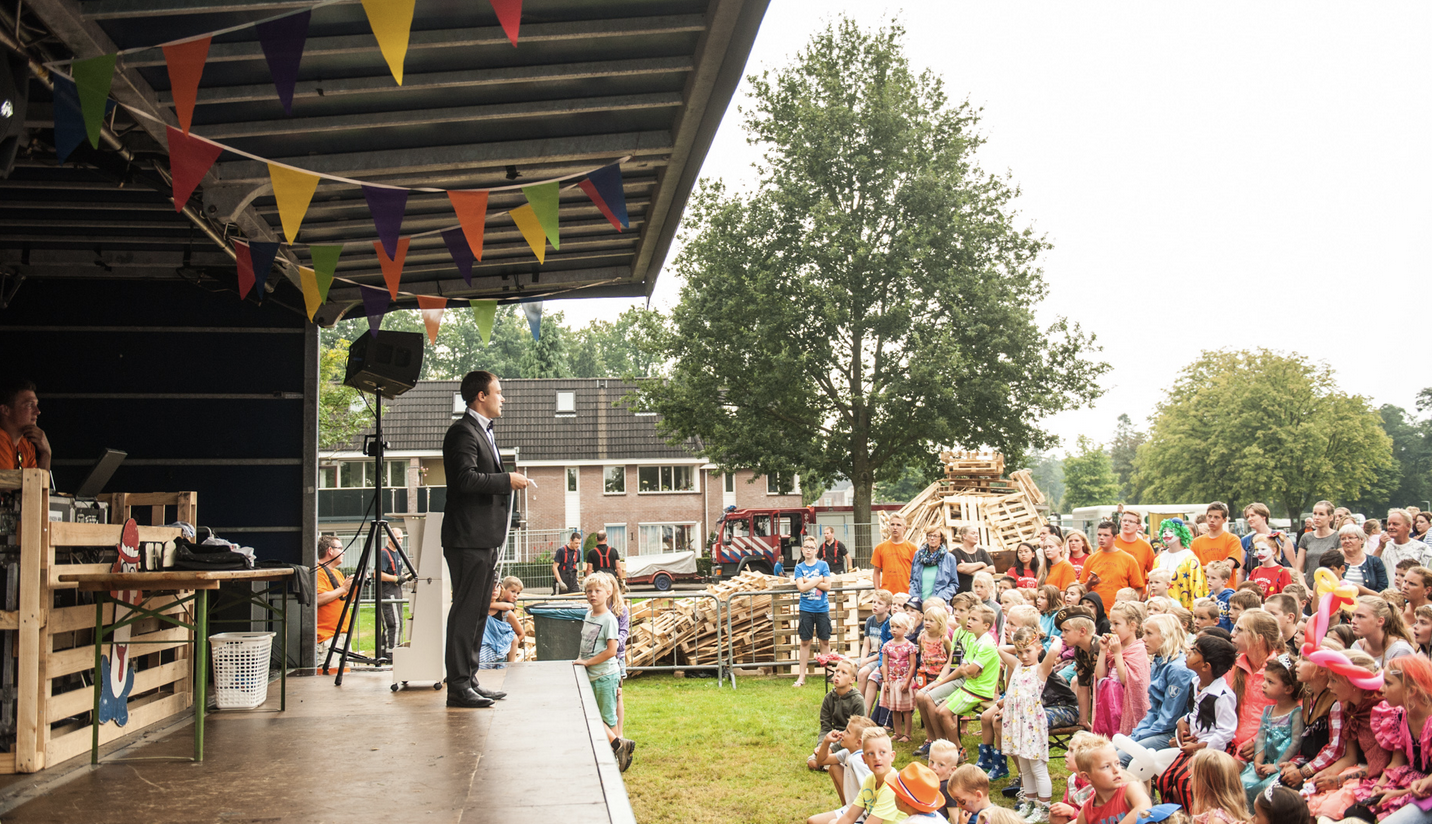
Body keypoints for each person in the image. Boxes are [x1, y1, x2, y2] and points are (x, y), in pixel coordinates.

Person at [441, 370, 529, 708]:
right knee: (466, 612)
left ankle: (470, 679)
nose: (502, 397)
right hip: (468, 539)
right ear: (481, 396)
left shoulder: (482, 431)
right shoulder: (462, 432)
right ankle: (458, 686)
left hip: (484, 539)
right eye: (498, 391)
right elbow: (464, 479)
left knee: (479, 611)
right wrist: (507, 479)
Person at [1155, 634, 1239, 807]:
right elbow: (1196, 713)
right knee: (1164, 780)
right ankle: (1175, 818)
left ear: (1206, 666)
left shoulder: (1222, 696)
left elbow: (1226, 732)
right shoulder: (1196, 683)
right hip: (1195, 746)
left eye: (1194, 651)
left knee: (1186, 784)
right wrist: (1183, 721)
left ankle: (1198, 817)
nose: (1188, 652)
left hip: (1212, 752)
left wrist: (1200, 747)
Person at [1346, 655, 1432, 822]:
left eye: (1389, 683)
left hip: (1424, 791)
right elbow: (1397, 761)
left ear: (1411, 690)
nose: (1382, 689)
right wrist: (1380, 786)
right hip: (1409, 783)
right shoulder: (1400, 716)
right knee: (1354, 812)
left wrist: (1397, 794)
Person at [994, 626, 1063, 822]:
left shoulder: (1041, 670)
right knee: (1024, 768)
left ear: (1038, 648)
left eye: (1028, 651)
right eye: (1020, 652)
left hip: (1032, 724)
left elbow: (1054, 650)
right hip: (1018, 724)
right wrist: (1018, 643)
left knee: (1038, 768)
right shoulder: (1017, 666)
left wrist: (1048, 637)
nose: (1024, 656)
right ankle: (1030, 802)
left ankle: (1044, 807)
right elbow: (1000, 649)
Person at [575, 575, 635, 770]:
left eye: (597, 591)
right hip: (590, 673)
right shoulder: (589, 615)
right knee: (590, 714)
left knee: (606, 718)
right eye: (589, 591)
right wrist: (581, 661)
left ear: (608, 593)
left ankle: (616, 751)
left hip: (604, 676)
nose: (593, 595)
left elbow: (611, 651)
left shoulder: (609, 619)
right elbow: (586, 644)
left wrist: (587, 662)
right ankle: (617, 747)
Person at [1125, 612, 1197, 762]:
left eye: (1149, 634)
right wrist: (1137, 733)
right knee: (1113, 750)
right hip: (1157, 728)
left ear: (1166, 636)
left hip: (1173, 734)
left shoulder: (1178, 669)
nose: (1143, 639)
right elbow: (1154, 710)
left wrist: (1139, 736)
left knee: (1120, 759)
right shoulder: (1160, 661)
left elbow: (1169, 719)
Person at [1239, 653, 1303, 804]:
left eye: (1270, 682)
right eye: (1264, 680)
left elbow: (1295, 743)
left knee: (1266, 791)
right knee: (1241, 784)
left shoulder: (1296, 713)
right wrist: (1257, 761)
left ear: (1288, 689)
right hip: (1265, 763)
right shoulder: (1268, 710)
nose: (1263, 684)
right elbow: (1261, 738)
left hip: (1281, 765)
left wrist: (1275, 766)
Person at [1092, 601, 1151, 738]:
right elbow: (1100, 676)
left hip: (1124, 705)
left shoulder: (1138, 649)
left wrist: (1118, 654)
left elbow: (1128, 681)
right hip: (1108, 704)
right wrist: (1103, 650)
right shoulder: (1114, 647)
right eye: (1111, 623)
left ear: (1132, 626)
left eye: (1116, 624)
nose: (1111, 628)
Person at [1228, 608, 1281, 758]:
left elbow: (1289, 718)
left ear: (1258, 638)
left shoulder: (1281, 671)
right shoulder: (1233, 667)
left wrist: (1259, 741)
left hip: (1266, 750)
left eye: (1239, 630)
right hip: (1230, 744)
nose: (1232, 634)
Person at [1065, 736, 1152, 824]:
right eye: (1106, 766)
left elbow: (1144, 807)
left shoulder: (1130, 789)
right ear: (1087, 777)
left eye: (1117, 763)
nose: (1116, 770)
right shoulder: (1087, 812)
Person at [807, 715, 875, 822]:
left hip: (862, 814)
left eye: (847, 732)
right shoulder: (849, 753)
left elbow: (870, 792)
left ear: (859, 742)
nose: (842, 733)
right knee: (834, 767)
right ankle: (845, 807)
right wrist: (826, 741)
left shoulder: (858, 760)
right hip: (853, 807)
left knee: (813, 821)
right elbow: (822, 761)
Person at [832, 727, 899, 824]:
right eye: (870, 753)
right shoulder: (869, 779)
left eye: (882, 752)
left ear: (892, 756)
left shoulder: (892, 786)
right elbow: (849, 817)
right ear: (864, 759)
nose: (877, 758)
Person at [793, 536, 833, 688]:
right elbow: (801, 588)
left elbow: (828, 586)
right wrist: (818, 580)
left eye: (811, 547)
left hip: (822, 608)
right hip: (806, 609)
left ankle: (828, 673)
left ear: (816, 550)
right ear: (802, 550)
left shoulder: (823, 565)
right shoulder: (799, 567)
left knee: (825, 640)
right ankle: (801, 676)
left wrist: (809, 581)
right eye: (806, 547)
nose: (808, 550)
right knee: (805, 641)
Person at [1079, 521, 1146, 607]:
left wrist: (1131, 607)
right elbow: (1081, 589)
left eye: (1106, 535)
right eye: (1099, 535)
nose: (1101, 538)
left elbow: (1138, 588)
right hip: (1095, 612)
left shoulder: (1128, 559)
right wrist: (1089, 584)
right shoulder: (1090, 559)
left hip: (1119, 611)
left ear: (1115, 537)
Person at [1152, 518, 1208, 611]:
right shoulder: (1158, 559)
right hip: (1159, 612)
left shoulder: (1191, 559)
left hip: (1182, 612)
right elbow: (1152, 586)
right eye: (1164, 531)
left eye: (1170, 531)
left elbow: (1197, 588)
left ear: (1181, 533)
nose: (1166, 533)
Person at [813, 660, 866, 756]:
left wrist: (832, 749)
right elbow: (825, 727)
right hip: (832, 739)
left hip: (851, 742)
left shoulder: (858, 701)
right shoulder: (828, 698)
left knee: (828, 762)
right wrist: (821, 745)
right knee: (812, 763)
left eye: (844, 672)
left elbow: (857, 733)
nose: (838, 675)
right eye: (836, 671)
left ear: (852, 680)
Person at [879, 612, 918, 743]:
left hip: (903, 680)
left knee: (906, 710)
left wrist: (907, 683)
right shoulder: (887, 646)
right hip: (892, 681)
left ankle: (907, 734)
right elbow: (884, 664)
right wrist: (886, 681)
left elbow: (913, 665)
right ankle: (897, 732)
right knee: (894, 709)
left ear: (905, 629)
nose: (894, 630)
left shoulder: (909, 646)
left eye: (897, 627)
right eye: (892, 626)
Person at [1350, 594, 1417, 666]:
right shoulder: (1357, 646)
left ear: (1380, 621)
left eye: (1360, 616)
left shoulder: (1400, 650)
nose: (1353, 621)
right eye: (1353, 615)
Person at [0, 377, 51, 471]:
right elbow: (7, 485)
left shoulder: (25, 444)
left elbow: (37, 484)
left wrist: (46, 453)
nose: (37, 411)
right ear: (5, 410)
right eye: (29, 405)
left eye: (36, 405)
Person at [1188, 750, 1252, 824]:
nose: (1191, 779)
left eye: (1194, 776)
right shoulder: (1217, 812)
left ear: (1204, 783)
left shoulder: (1217, 820)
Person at [314, 535, 353, 648]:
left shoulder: (337, 573)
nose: (343, 552)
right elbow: (318, 598)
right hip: (328, 637)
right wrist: (343, 589)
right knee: (331, 666)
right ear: (330, 550)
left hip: (342, 635)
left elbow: (345, 600)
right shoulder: (318, 572)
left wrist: (355, 586)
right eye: (340, 548)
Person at [1192, 502, 1243, 585]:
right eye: (1210, 516)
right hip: (1203, 592)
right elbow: (1192, 568)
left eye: (1217, 517)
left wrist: (1203, 568)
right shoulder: (1196, 542)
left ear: (1224, 520)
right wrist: (1220, 565)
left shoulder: (1233, 540)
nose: (1212, 520)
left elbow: (1226, 568)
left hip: (1225, 592)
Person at [479, 576, 525, 668]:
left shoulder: (506, 611)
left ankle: (510, 665)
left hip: (500, 654)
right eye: (513, 591)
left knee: (514, 638)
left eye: (518, 593)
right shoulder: (478, 611)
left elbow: (508, 607)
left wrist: (506, 645)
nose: (515, 595)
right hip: (482, 658)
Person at [907, 528, 959, 609]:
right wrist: (914, 595)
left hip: (938, 603)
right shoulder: (918, 555)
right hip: (918, 603)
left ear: (941, 539)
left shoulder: (949, 558)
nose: (932, 538)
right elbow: (912, 579)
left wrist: (941, 597)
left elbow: (954, 584)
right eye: (930, 536)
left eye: (935, 536)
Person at [871, 513, 918, 596]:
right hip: (887, 595)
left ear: (904, 528)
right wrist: (878, 592)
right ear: (889, 527)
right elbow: (876, 572)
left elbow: (918, 573)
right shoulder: (880, 548)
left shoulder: (913, 548)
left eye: (898, 525)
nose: (895, 527)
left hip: (906, 594)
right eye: (892, 524)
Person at [1240, 502, 1296, 572]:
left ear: (1264, 516)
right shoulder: (1246, 541)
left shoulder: (1281, 538)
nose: (1249, 519)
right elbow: (1241, 571)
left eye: (1252, 515)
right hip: (1253, 581)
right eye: (1247, 517)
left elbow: (1293, 567)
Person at [1297, 501, 1340, 589]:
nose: (1316, 517)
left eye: (1321, 514)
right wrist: (1305, 588)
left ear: (1330, 517)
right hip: (1309, 587)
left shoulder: (1337, 537)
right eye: (1315, 514)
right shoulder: (1306, 537)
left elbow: (1340, 568)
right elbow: (1299, 569)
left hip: (1330, 587)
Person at [378, 526, 406, 655]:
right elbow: (377, 574)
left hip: (396, 592)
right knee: (394, 624)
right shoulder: (384, 553)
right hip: (388, 593)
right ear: (389, 538)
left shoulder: (398, 553)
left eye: (401, 538)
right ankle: (391, 654)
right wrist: (396, 578)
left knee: (398, 622)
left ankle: (385, 652)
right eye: (397, 538)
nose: (400, 541)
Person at [1340, 522, 1389, 596]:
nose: (1347, 541)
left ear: (1361, 540)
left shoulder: (1374, 562)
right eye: (1343, 538)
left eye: (1350, 538)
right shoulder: (1336, 562)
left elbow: (1383, 587)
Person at [951, 525, 994, 595]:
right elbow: (961, 568)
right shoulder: (956, 552)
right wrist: (981, 564)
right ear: (964, 536)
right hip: (963, 592)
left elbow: (992, 569)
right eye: (973, 533)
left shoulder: (982, 552)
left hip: (981, 593)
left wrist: (973, 573)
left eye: (977, 533)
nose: (976, 536)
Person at [1114, 510, 1156, 574]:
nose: (1126, 524)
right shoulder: (1111, 542)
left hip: (1138, 583)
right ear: (1121, 523)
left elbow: (1153, 572)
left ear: (1138, 526)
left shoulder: (1146, 547)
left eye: (1131, 521)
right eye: (1124, 520)